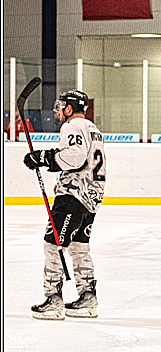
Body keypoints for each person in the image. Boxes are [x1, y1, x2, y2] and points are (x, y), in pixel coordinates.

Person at [23, 90, 105, 320]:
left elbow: (75, 157)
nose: (58, 110)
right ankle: (88, 298)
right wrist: (63, 181)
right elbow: (85, 161)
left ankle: (53, 300)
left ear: (70, 109)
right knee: (79, 247)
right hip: (91, 195)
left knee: (53, 244)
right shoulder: (93, 129)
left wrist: (44, 158)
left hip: (75, 196)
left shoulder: (72, 126)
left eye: (61, 106)